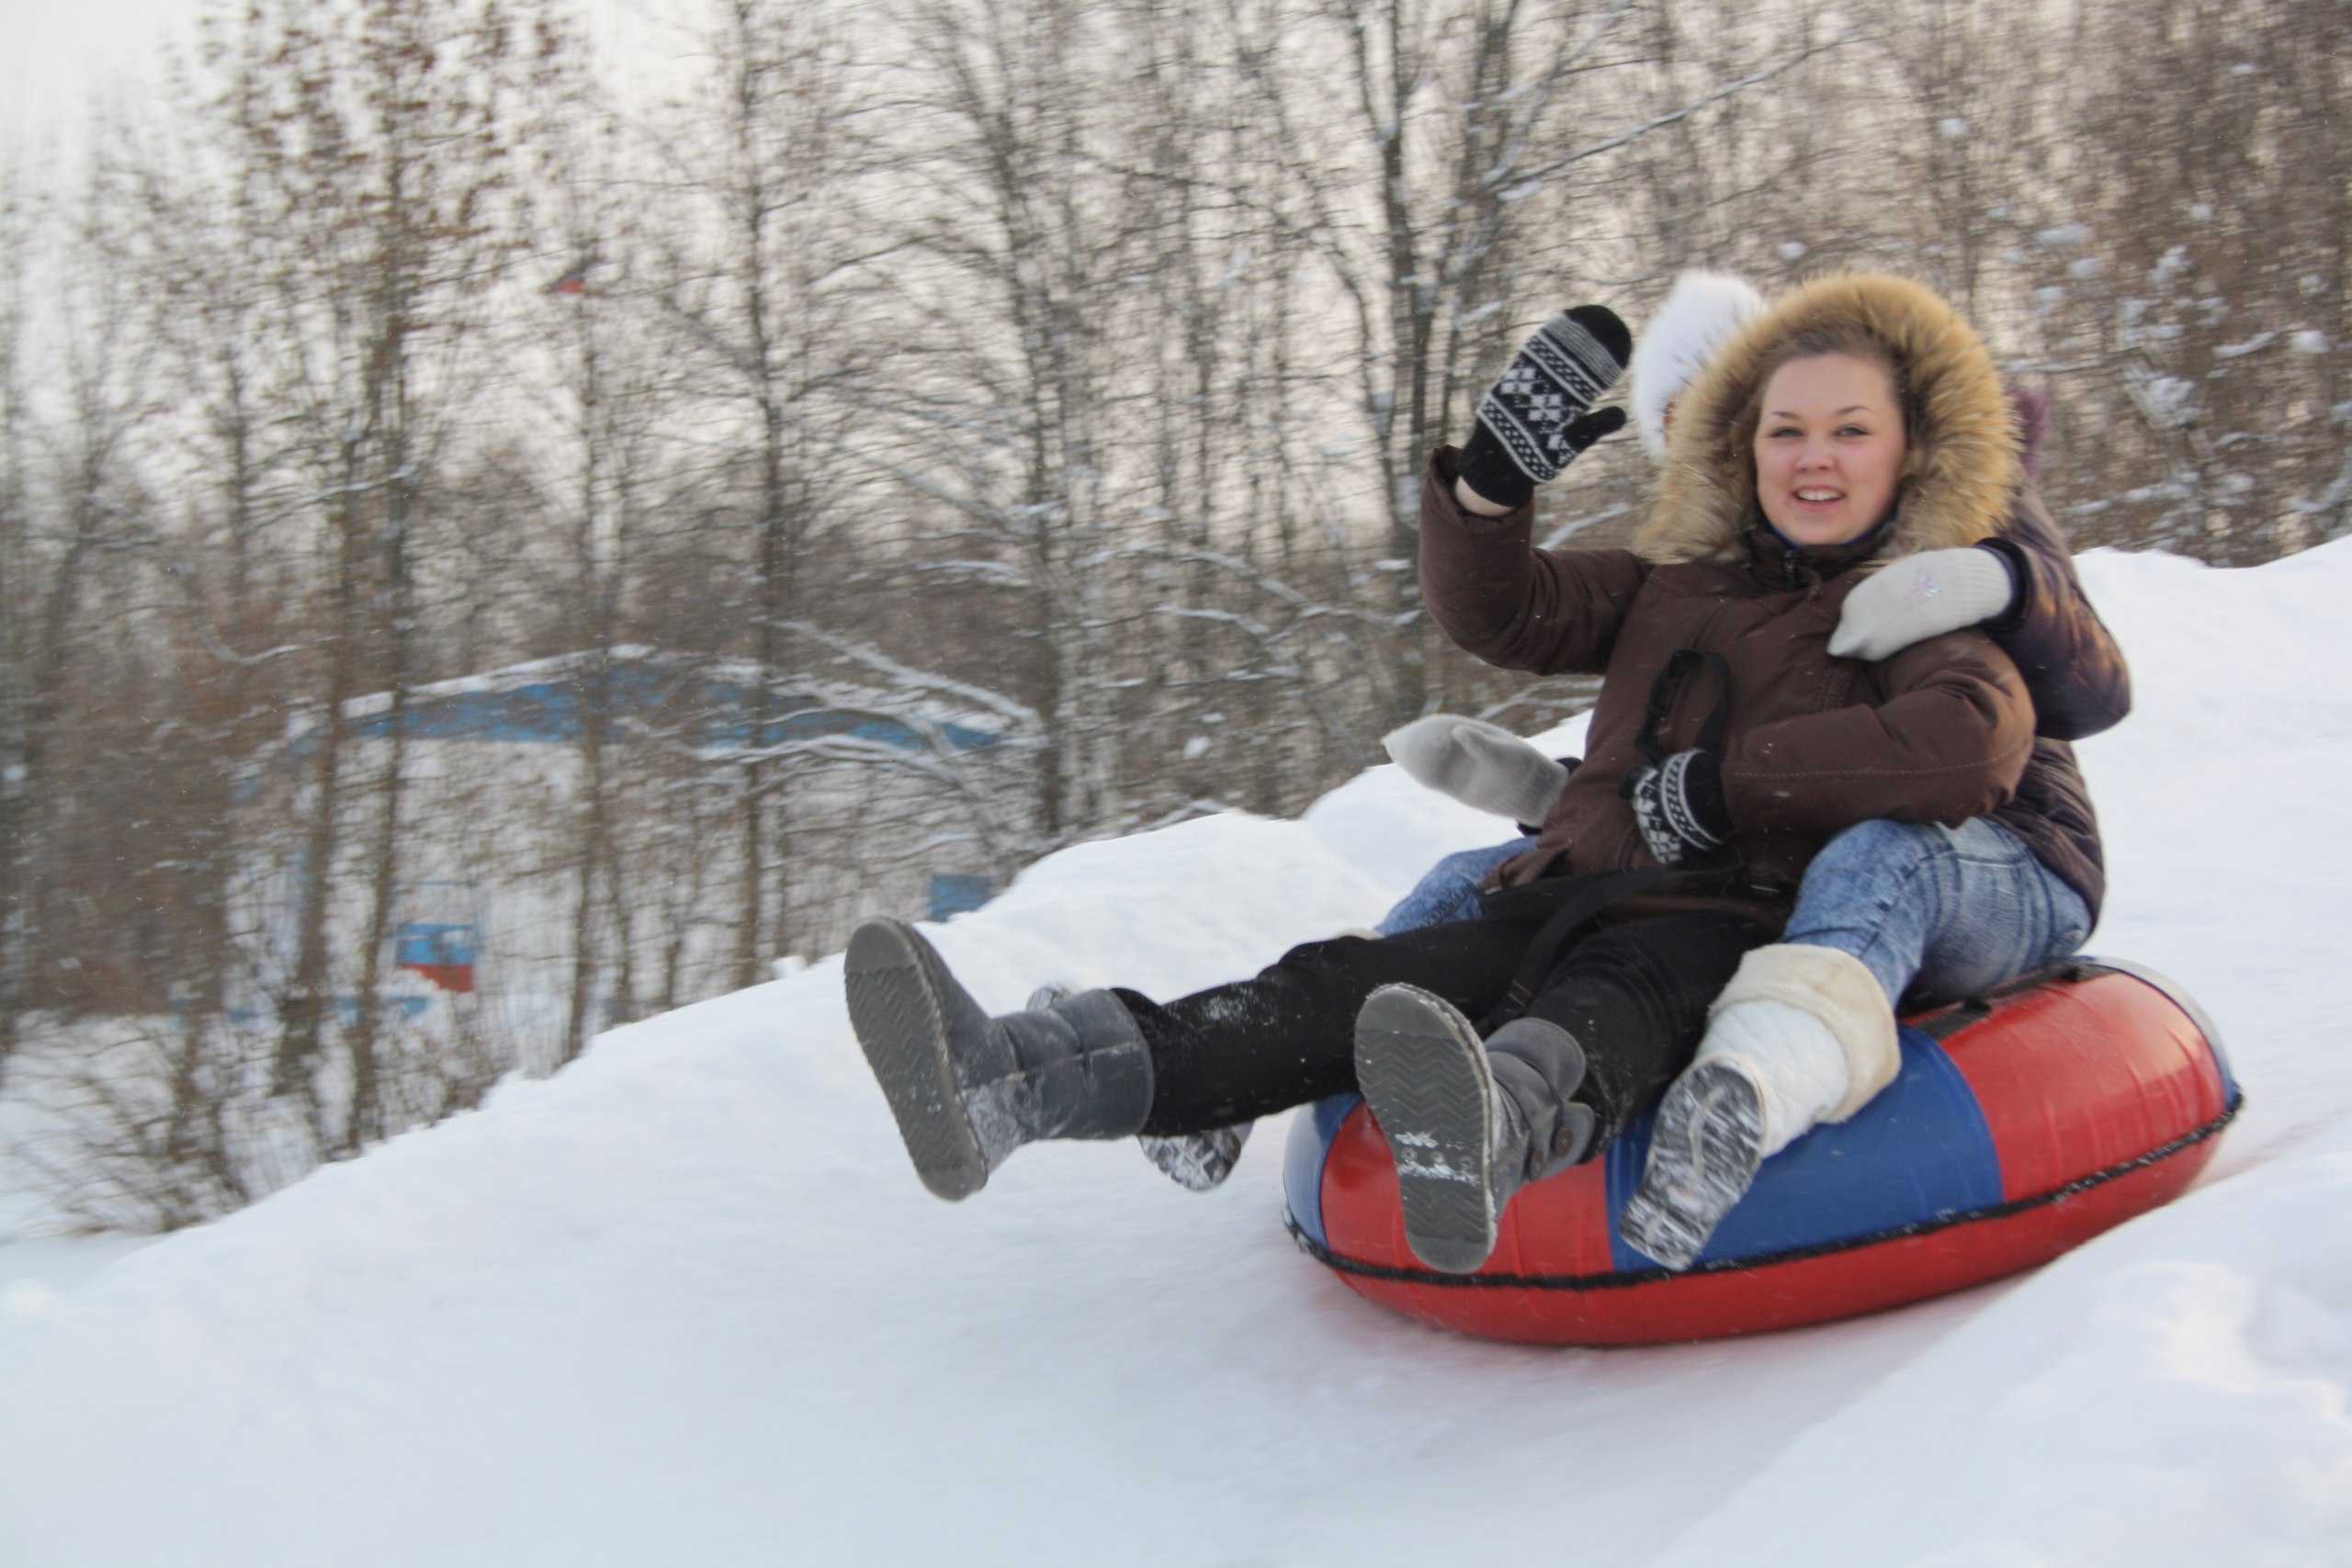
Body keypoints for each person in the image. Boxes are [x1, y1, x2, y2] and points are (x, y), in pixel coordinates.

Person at [844, 273, 2049, 1278]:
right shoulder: (1670, 584)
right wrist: (1487, 489)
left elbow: (1968, 741)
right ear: (1742, 446)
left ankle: (1495, 1135)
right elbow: (1505, 610)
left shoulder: (1918, 602)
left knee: (1611, 1002)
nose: (1813, 458)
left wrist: (1731, 789)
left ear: (1911, 451)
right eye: (1786, 430)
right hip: (1559, 886)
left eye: (1850, 431)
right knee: (1338, 985)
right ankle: (1013, 1079)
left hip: (1727, 916)